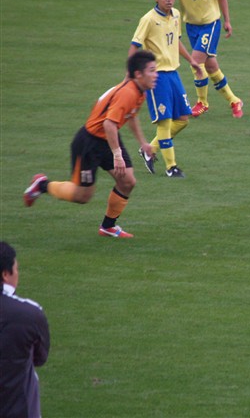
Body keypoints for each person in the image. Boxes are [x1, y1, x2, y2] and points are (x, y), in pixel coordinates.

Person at [23, 51, 159, 238]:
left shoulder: (139, 91)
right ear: (138, 74)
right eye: (152, 70)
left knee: (127, 181)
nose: (156, 75)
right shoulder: (127, 93)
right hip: (89, 143)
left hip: (107, 139)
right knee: (82, 196)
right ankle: (42, 185)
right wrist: (117, 155)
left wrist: (142, 142)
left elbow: (131, 115)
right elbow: (109, 124)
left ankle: (108, 227)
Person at [131, 0, 201, 178]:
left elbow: (175, 41)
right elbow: (134, 46)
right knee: (164, 121)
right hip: (156, 77)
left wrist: (191, 60)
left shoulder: (176, 15)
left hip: (173, 74)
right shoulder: (148, 19)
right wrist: (131, 74)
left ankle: (150, 149)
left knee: (183, 119)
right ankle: (171, 167)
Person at [169, 0, 244, 119]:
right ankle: (234, 100)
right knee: (210, 67)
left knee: (196, 61)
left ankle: (202, 102)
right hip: (191, 26)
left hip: (210, 25)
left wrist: (227, 20)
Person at [0, 242, 50, 418]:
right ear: (5, 274)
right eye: (16, 269)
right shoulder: (29, 313)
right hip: (19, 408)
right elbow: (40, 357)